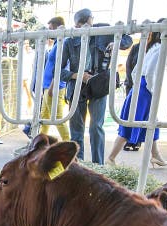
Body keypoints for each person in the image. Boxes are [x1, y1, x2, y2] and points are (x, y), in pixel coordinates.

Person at [60, 8, 131, 164]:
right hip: (77, 86)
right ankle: (78, 167)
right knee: (77, 131)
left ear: (91, 20)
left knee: (96, 127)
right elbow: (58, 70)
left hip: (99, 85)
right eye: (81, 25)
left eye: (88, 22)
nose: (85, 27)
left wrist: (116, 42)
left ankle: (98, 166)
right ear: (77, 25)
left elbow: (127, 40)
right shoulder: (70, 40)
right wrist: (77, 76)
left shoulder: (103, 31)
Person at [107, 27, 167, 168]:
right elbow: (150, 73)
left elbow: (136, 71)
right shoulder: (159, 49)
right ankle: (111, 158)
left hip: (141, 88)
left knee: (151, 123)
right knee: (133, 123)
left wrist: (139, 86)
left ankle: (156, 155)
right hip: (145, 90)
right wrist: (150, 88)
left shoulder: (151, 48)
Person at [37, 16, 70, 140]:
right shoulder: (57, 43)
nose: (49, 31)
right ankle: (39, 144)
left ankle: (68, 146)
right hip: (48, 86)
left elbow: (60, 66)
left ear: (57, 27)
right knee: (44, 117)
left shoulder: (62, 43)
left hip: (54, 86)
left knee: (57, 118)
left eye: (51, 28)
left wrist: (52, 86)